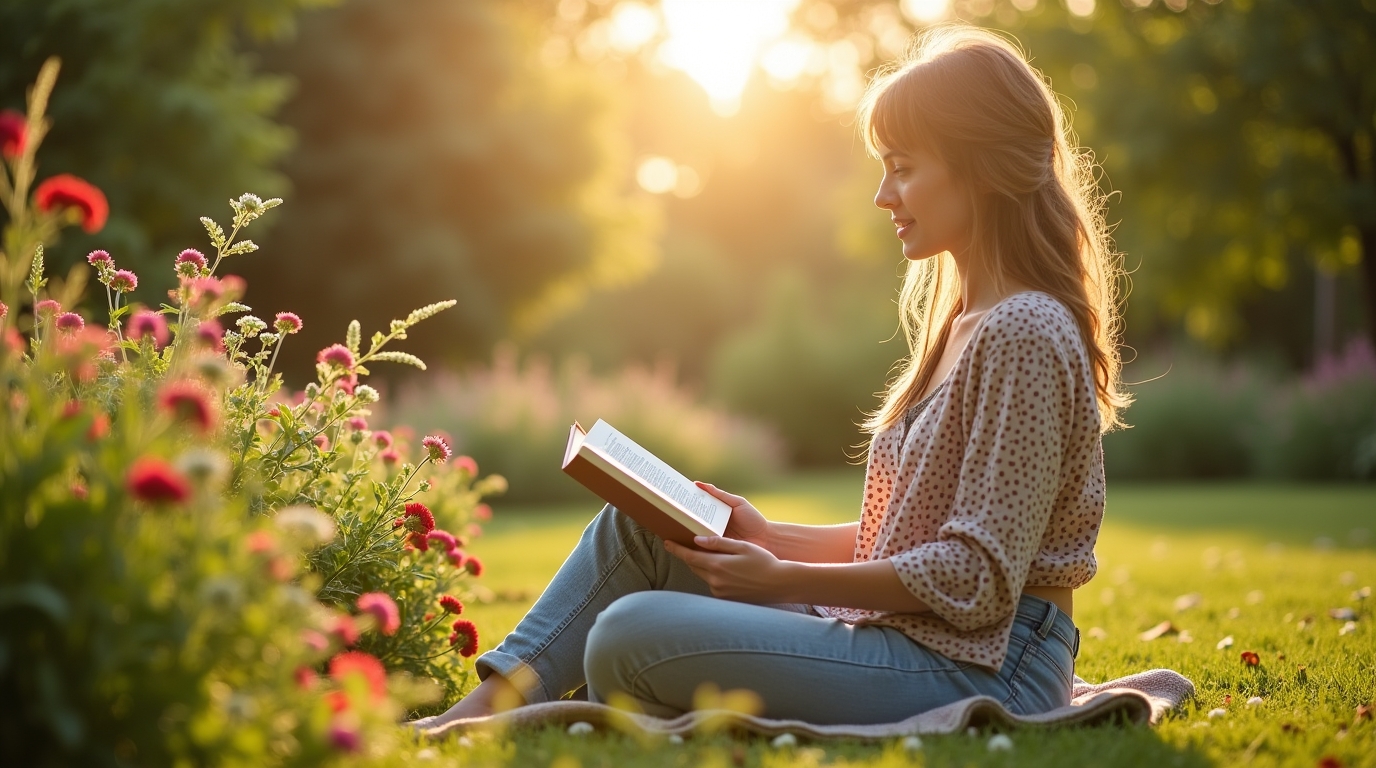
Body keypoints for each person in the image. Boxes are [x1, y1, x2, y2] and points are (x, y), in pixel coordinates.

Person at [419, 23, 1128, 728]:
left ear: (983, 169)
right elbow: (912, 537)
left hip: (987, 665)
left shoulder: (1023, 330)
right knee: (636, 527)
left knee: (626, 634)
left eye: (904, 167)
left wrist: (788, 579)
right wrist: (770, 539)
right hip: (914, 639)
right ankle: (484, 708)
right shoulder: (966, 325)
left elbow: (977, 576)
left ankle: (517, 713)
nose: (883, 195)